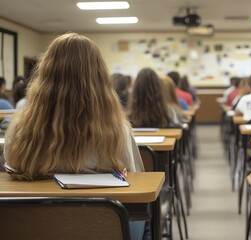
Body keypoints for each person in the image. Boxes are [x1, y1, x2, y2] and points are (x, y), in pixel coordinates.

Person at [2, 33, 148, 240]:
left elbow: (11, 168)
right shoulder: (117, 131)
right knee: (141, 218)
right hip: (101, 229)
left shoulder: (18, 129)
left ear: (45, 74)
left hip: (32, 228)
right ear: (99, 77)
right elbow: (136, 184)